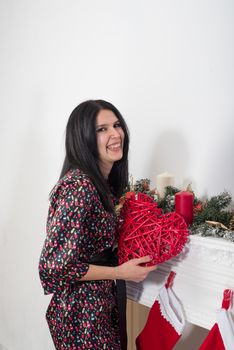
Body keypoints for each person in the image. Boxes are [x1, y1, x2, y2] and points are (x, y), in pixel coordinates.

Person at [39, 99, 156, 350]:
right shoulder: (79, 186)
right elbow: (54, 267)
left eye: (116, 125)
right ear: (83, 139)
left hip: (99, 307)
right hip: (81, 314)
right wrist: (120, 272)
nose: (115, 134)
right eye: (101, 129)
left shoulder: (101, 185)